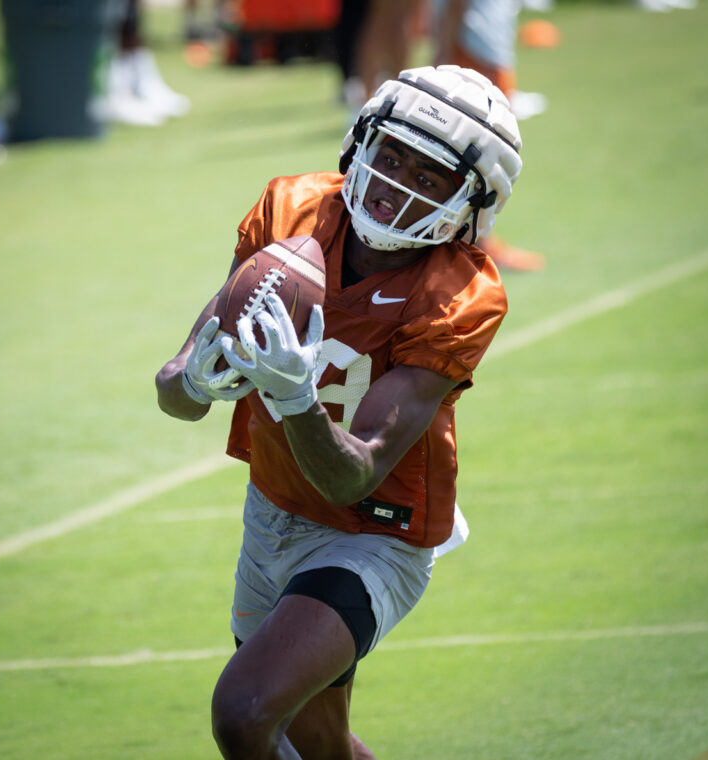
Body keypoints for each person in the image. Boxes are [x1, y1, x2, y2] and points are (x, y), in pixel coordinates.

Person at [156, 64, 522, 759]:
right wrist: (193, 380)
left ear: (471, 203)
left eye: (428, 177)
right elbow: (174, 393)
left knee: (245, 712)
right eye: (390, 157)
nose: (395, 185)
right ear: (359, 144)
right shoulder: (291, 211)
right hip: (270, 511)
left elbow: (354, 476)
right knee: (316, 742)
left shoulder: (459, 293)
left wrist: (296, 400)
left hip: (374, 533)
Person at [434, 0, 546, 272]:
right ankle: (472, 243)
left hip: (483, 44)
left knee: (482, 158)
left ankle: (473, 241)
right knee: (477, 157)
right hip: (474, 47)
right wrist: (444, 51)